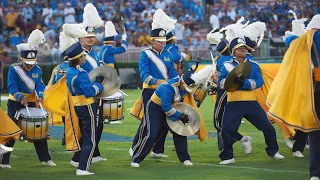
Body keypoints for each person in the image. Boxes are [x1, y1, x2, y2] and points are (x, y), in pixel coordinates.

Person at [267, 14, 320, 180]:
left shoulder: (311, 36)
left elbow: (292, 41)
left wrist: (290, 36)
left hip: (316, 88)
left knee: (315, 130)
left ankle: (316, 173)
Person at [217, 37, 284, 165]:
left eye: (244, 49)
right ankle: (228, 157)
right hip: (233, 102)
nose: (243, 51)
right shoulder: (226, 65)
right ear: (233, 51)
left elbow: (259, 82)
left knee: (267, 127)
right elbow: (220, 82)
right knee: (226, 129)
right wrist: (230, 82)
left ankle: (273, 151)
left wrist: (243, 83)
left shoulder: (254, 65)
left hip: (250, 101)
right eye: (239, 49)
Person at [131, 65, 214, 167]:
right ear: (182, 82)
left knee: (180, 132)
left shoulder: (184, 85)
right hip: (155, 108)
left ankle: (185, 159)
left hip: (171, 107)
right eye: (186, 87)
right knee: (152, 134)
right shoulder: (168, 87)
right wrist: (180, 116)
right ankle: (136, 158)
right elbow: (166, 108)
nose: (187, 90)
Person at [0, 30, 55, 168]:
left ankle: (45, 159)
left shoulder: (37, 69)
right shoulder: (14, 69)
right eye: (27, 62)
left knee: (38, 130)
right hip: (15, 103)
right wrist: (20, 98)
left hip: (31, 102)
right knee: (12, 131)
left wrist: (40, 96)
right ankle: (4, 160)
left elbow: (40, 85)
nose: (30, 65)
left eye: (32, 62)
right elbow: (11, 86)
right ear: (22, 59)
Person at [65, 42, 104, 176]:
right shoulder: (80, 73)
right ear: (78, 58)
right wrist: (99, 85)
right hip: (87, 106)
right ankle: (82, 168)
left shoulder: (70, 71)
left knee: (85, 135)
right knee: (91, 139)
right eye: (83, 56)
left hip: (78, 106)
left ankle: (77, 161)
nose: (84, 58)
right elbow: (89, 92)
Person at [212, 39, 252, 152]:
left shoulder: (220, 59)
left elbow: (217, 78)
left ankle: (238, 140)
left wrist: (216, 78)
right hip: (235, 91)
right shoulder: (246, 58)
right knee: (226, 121)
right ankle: (229, 144)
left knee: (219, 121)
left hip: (226, 91)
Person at [80, 3, 106, 163]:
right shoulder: (78, 53)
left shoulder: (94, 53)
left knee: (98, 125)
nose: (91, 39)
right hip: (85, 94)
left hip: (96, 93)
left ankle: (95, 153)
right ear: (81, 38)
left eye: (92, 36)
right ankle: (82, 156)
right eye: (88, 37)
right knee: (88, 127)